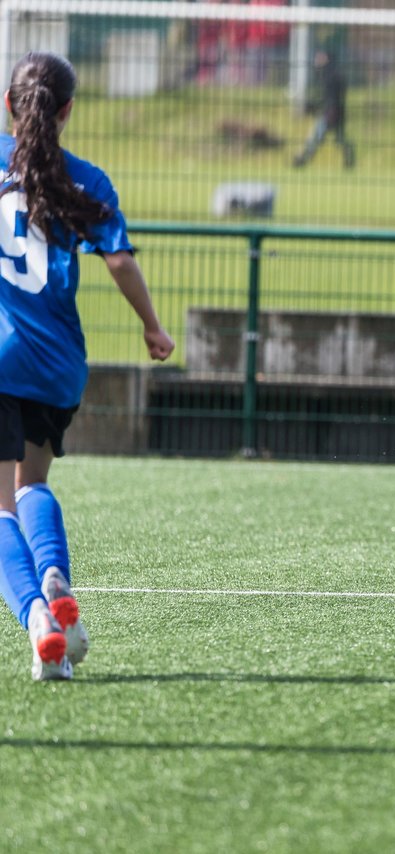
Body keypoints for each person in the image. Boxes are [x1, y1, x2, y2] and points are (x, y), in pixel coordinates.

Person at [0, 52, 175, 681]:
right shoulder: (86, 181)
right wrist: (152, 328)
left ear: (8, 105)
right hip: (56, 364)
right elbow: (121, 262)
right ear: (68, 111)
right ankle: (56, 581)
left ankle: (38, 620)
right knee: (32, 486)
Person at [293, 49, 355, 170]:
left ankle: (302, 159)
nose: (316, 60)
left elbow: (330, 97)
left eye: (319, 58)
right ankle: (349, 160)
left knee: (317, 137)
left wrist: (317, 107)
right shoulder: (332, 74)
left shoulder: (330, 76)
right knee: (339, 139)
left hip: (330, 113)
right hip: (335, 112)